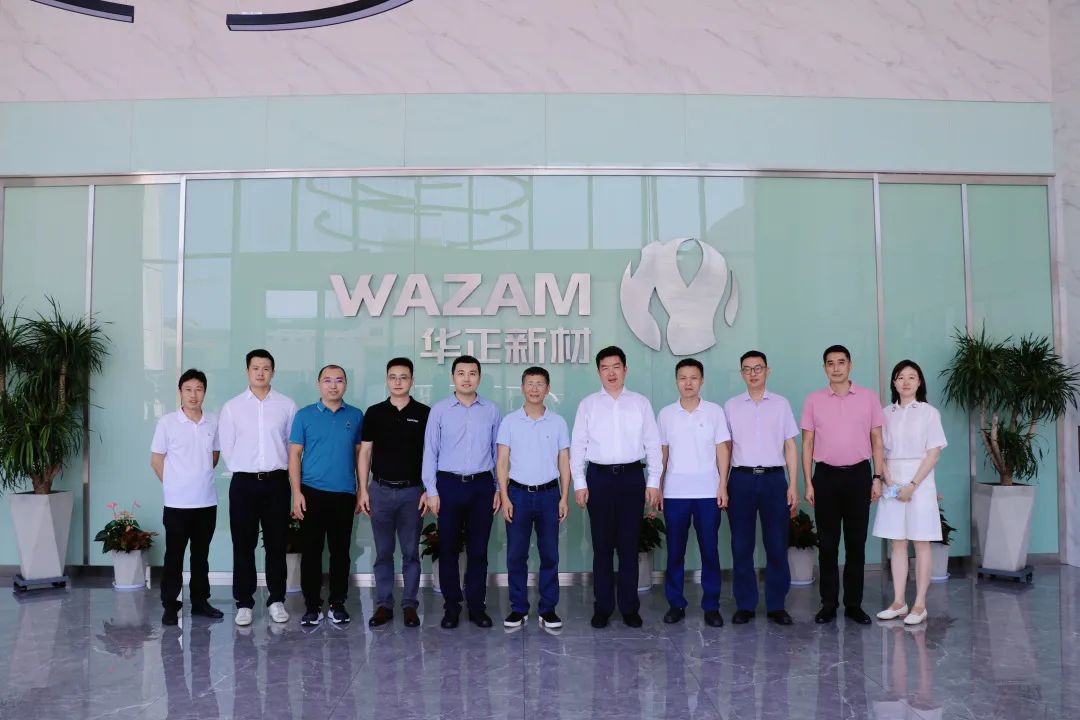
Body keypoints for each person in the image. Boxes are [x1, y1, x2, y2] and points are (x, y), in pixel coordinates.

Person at [571, 345, 662, 629]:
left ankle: (629, 607)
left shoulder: (640, 403)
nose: (611, 373)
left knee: (628, 545)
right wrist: (579, 483)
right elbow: (578, 446)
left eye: (616, 367)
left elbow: (653, 444)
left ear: (625, 369)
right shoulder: (588, 405)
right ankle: (603, 607)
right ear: (598, 372)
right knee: (602, 547)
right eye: (605, 368)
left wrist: (654, 481)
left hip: (632, 478)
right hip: (598, 478)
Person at [801, 344, 885, 625]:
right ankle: (828, 603)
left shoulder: (868, 397)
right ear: (824, 367)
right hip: (825, 477)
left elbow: (877, 440)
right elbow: (807, 443)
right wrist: (808, 482)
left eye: (841, 362)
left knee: (856, 544)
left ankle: (853, 604)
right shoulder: (813, 400)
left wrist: (877, 477)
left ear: (850, 365)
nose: (836, 368)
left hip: (859, 476)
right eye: (830, 363)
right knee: (827, 545)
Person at [219, 349, 298, 627]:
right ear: (247, 371)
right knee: (243, 544)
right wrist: (246, 468)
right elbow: (227, 447)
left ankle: (277, 600)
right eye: (255, 368)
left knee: (276, 543)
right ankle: (244, 603)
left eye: (266, 368)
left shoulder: (287, 405)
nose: (261, 373)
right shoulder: (232, 407)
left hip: (277, 482)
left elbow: (292, 446)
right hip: (243, 483)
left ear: (273, 372)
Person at [422, 355, 502, 629]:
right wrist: (431, 490)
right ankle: (452, 608)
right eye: (461, 373)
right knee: (448, 549)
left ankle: (477, 607)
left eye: (472, 373)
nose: (466, 378)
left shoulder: (491, 410)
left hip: (482, 486)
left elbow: (498, 453)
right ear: (453, 377)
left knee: (479, 550)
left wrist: (498, 488)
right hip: (449, 485)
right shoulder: (440, 410)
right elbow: (430, 452)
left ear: (479, 377)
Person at [722, 350, 800, 626]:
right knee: (741, 544)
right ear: (741, 373)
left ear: (768, 371)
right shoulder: (731, 406)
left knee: (776, 544)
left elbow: (790, 446)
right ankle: (745, 604)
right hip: (741, 479)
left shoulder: (781, 404)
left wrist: (793, 484)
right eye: (747, 369)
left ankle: (777, 605)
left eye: (758, 368)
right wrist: (723, 484)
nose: (753, 373)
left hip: (773, 480)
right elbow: (725, 448)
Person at [656, 358, 730, 627]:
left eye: (694, 378)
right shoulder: (666, 414)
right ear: (676, 381)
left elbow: (723, 449)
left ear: (702, 381)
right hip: (675, 493)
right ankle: (676, 604)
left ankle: (711, 606)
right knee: (675, 552)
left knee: (710, 551)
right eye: (683, 378)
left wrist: (722, 485)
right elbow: (662, 454)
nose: (688, 383)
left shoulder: (714, 412)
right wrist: (658, 487)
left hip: (708, 492)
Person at [357, 358, 430, 629]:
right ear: (387, 380)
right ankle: (384, 605)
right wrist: (363, 490)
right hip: (380, 491)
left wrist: (428, 490)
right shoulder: (375, 412)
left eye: (403, 377)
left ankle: (409, 605)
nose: (398, 382)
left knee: (411, 553)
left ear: (412, 380)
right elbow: (365, 452)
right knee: (383, 553)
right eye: (393, 377)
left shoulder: (424, 413)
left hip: (412, 492)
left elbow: (431, 454)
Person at [288, 364, 364, 626]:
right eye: (328, 380)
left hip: (344, 493)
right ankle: (312, 606)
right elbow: (294, 455)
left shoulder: (355, 416)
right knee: (311, 552)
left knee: (340, 552)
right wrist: (296, 492)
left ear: (346, 384)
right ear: (318, 384)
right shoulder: (304, 415)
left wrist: (362, 489)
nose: (333, 385)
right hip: (312, 492)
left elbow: (360, 456)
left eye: (339, 380)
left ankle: (337, 603)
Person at [873, 360, 947, 626]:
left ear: (919, 382)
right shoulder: (884, 413)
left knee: (921, 541)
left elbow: (934, 453)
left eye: (911, 377)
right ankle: (898, 601)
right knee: (897, 542)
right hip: (891, 480)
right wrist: (887, 478)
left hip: (920, 481)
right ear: (894, 382)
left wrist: (913, 485)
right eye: (900, 377)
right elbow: (878, 450)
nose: (905, 381)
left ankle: (920, 604)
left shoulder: (929, 413)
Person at [496, 366, 571, 629]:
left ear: (548, 389)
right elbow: (502, 462)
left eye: (540, 384)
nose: (535, 388)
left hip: (550, 495)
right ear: (522, 388)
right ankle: (518, 608)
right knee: (516, 555)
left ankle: (548, 609)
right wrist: (505, 497)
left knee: (550, 554)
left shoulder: (558, 422)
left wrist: (564, 497)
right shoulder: (510, 421)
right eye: (530, 383)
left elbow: (564, 460)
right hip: (518, 494)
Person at [151, 368, 223, 626]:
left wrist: (198, 476)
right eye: (188, 389)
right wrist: (174, 483)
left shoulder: (213, 421)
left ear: (205, 392)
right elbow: (156, 460)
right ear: (180, 392)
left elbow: (214, 456)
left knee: (200, 556)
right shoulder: (167, 422)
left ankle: (201, 602)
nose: (193, 395)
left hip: (206, 502)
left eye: (198, 389)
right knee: (174, 556)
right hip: (177, 504)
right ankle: (170, 606)